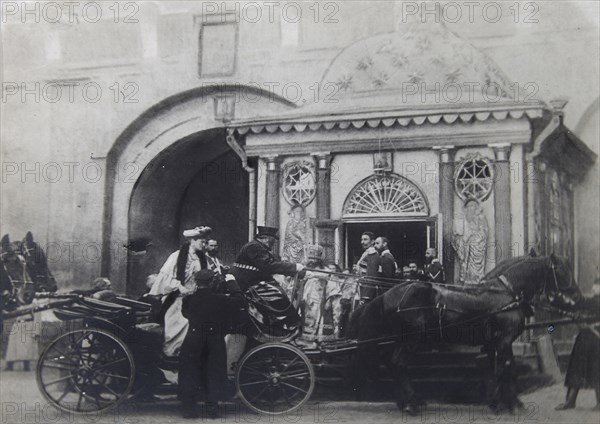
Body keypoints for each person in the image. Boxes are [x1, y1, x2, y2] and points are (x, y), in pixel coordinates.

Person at [179, 270, 246, 419]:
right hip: (213, 340)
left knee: (190, 373)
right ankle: (212, 409)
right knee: (213, 373)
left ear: (196, 283)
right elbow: (240, 301)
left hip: (193, 339)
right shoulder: (220, 299)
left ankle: (188, 409)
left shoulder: (188, 300)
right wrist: (231, 281)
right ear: (212, 282)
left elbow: (185, 314)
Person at [149, 226, 211, 356]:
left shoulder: (202, 258)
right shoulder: (176, 256)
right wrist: (180, 287)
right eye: (202, 242)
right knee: (180, 325)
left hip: (194, 298)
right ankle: (171, 355)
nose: (204, 245)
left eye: (205, 242)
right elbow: (167, 278)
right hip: (177, 298)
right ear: (192, 240)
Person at [555, 281, 600, 411]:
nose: (594, 287)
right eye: (595, 284)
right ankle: (570, 401)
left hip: (595, 338)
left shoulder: (593, 301)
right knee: (576, 368)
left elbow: (581, 304)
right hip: (585, 337)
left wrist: (578, 313)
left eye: (597, 285)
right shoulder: (591, 301)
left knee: (596, 369)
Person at [230, 226, 304, 292]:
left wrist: (301, 273)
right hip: (246, 281)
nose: (273, 242)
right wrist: (294, 267)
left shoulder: (258, 246)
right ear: (265, 238)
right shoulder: (254, 247)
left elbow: (274, 264)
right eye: (272, 240)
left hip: (249, 278)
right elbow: (269, 266)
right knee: (278, 294)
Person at [452, 198, 489, 284]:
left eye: (473, 206)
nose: (471, 208)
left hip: (477, 245)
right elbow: (458, 234)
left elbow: (484, 232)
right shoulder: (463, 219)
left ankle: (476, 279)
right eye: (469, 206)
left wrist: (473, 238)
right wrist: (459, 240)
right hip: (466, 246)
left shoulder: (481, 217)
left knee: (476, 267)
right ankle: (466, 279)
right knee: (465, 264)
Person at [354, 231, 381, 303]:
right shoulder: (366, 253)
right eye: (362, 240)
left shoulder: (372, 254)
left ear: (372, 241)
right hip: (361, 289)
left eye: (365, 239)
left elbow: (371, 276)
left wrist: (367, 296)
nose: (362, 242)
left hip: (367, 292)